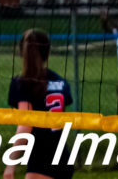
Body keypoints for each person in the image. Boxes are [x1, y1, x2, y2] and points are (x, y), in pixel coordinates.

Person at [4, 29, 74, 179]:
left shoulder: (22, 83)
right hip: (62, 156)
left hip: (42, 158)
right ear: (47, 53)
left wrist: (10, 164)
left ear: (22, 52)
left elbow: (25, 127)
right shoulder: (60, 82)